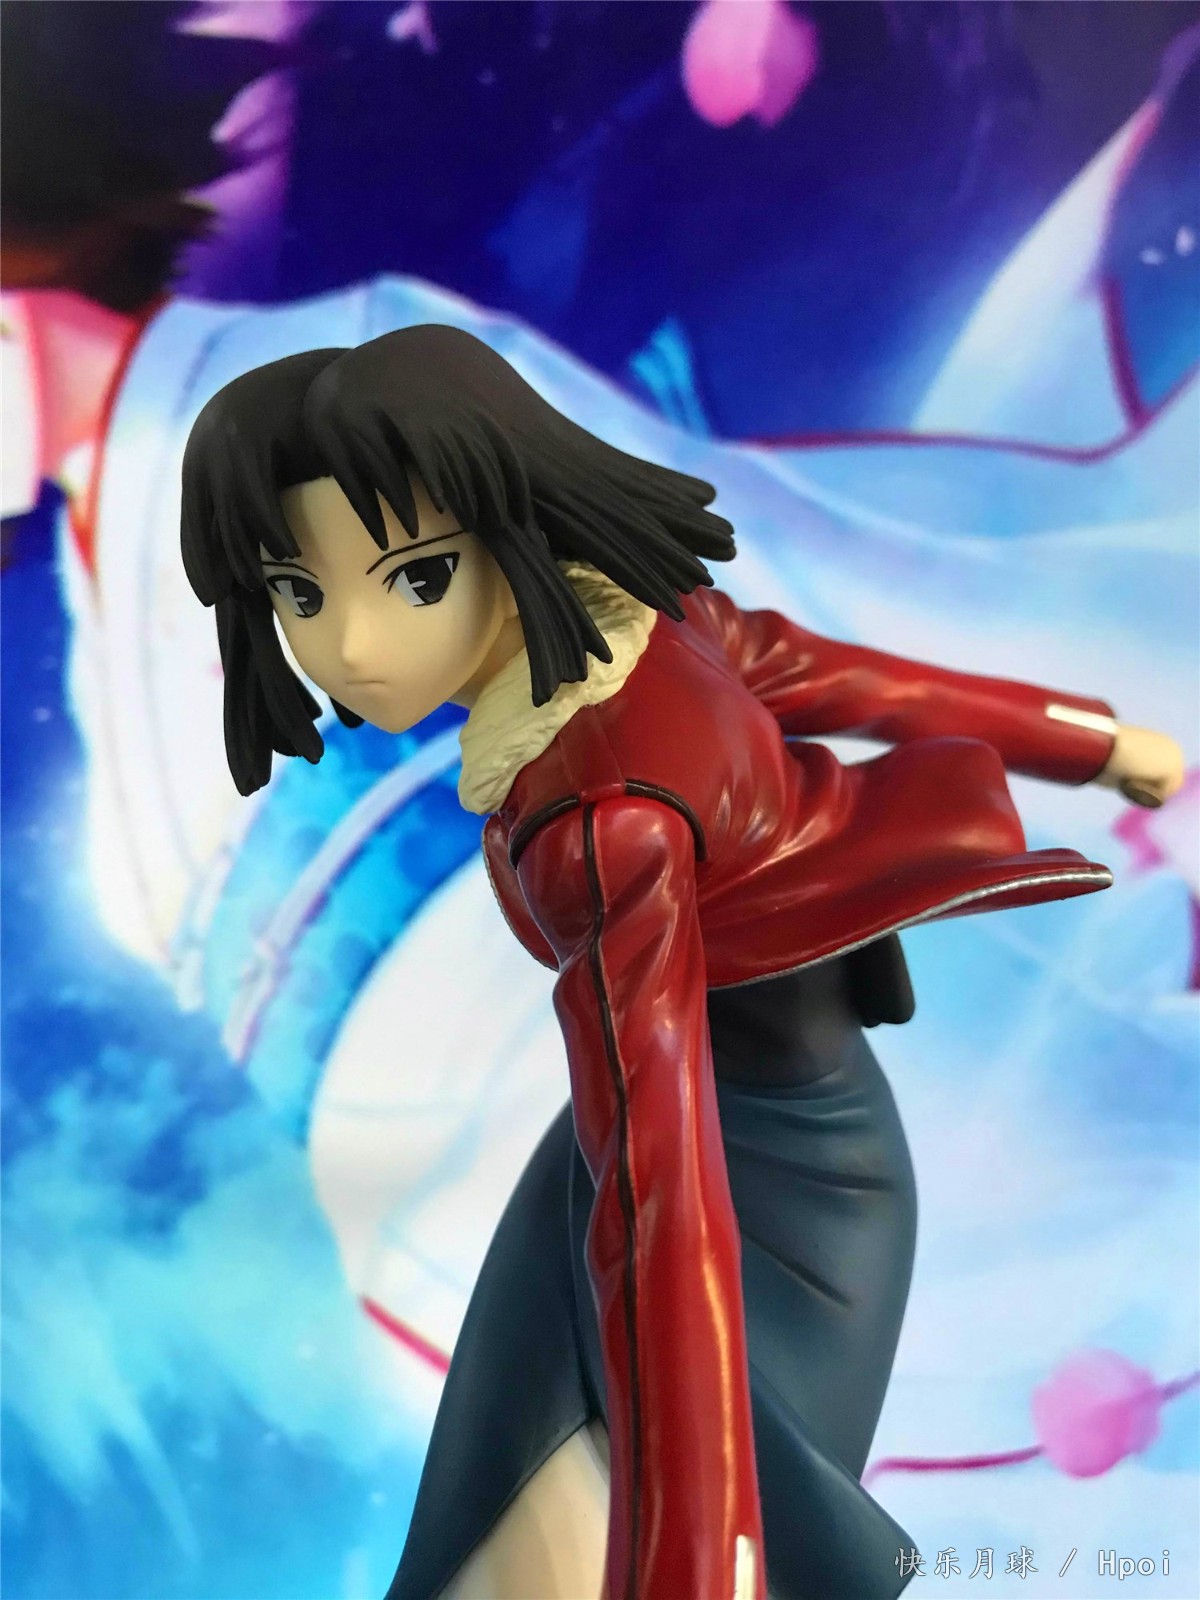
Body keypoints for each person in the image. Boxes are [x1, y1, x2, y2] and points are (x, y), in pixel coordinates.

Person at [179, 324, 1183, 1600]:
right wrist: (1096, 741)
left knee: (583, 1544)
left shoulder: (604, 820)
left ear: (508, 521)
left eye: (415, 578)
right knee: (501, 1548)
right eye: (299, 595)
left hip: (755, 1193)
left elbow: (665, 1203)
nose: (353, 648)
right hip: (649, 1158)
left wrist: (701, 1559)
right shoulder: (660, 630)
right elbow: (861, 684)